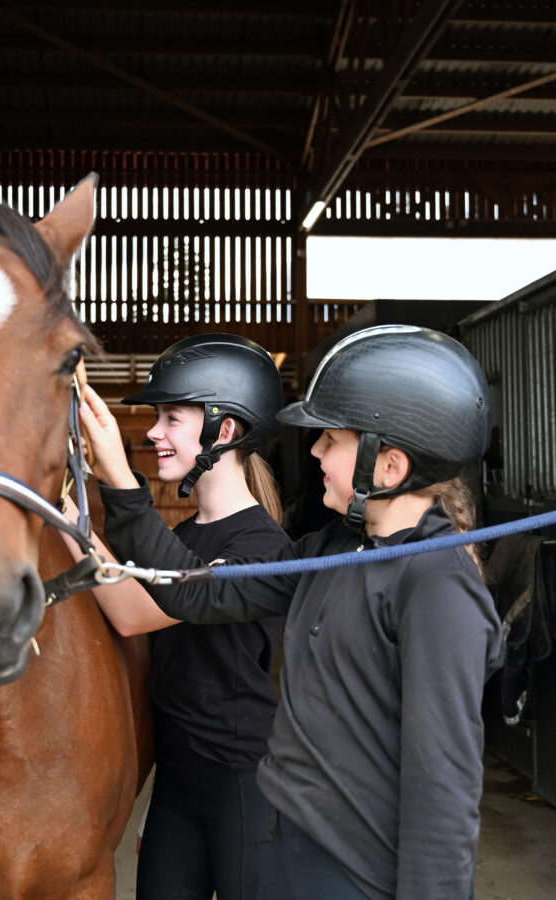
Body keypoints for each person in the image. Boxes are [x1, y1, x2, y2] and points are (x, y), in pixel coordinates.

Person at [80, 324, 504, 900]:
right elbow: (194, 594)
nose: (314, 451)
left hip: (352, 875)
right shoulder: (328, 550)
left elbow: (442, 790)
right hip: (286, 851)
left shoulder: (437, 589)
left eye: (331, 438)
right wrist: (115, 480)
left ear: (389, 467)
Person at [63, 333, 290, 900]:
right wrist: (68, 518)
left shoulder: (263, 548)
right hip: (174, 784)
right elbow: (127, 607)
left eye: (171, 419)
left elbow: (156, 605)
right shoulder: (183, 537)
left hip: (240, 788)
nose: (154, 433)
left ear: (225, 430)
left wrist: (116, 474)